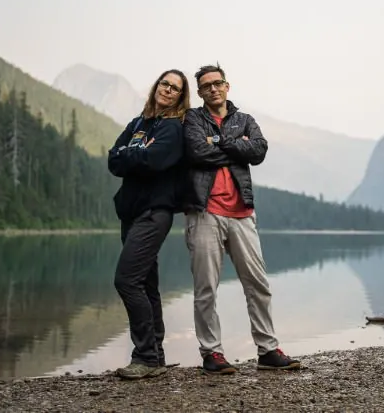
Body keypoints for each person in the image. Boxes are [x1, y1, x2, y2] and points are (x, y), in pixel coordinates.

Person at [182, 63, 301, 375]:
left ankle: (268, 350)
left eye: (217, 83)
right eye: (206, 85)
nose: (213, 89)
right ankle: (212, 354)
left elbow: (259, 150)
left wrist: (218, 142)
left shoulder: (245, 119)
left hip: (242, 214)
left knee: (258, 284)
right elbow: (196, 152)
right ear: (200, 92)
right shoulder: (193, 119)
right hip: (204, 212)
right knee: (206, 287)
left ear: (227, 86)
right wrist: (238, 147)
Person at [107, 69, 190, 379]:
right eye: (164, 84)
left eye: (175, 89)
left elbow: (153, 160)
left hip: (154, 213)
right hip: (130, 212)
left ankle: (144, 356)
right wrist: (133, 154)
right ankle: (155, 354)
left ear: (181, 97)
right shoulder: (139, 123)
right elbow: (113, 160)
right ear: (157, 86)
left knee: (126, 281)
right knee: (146, 284)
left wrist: (130, 154)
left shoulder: (172, 129)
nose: (167, 90)